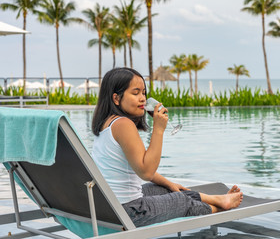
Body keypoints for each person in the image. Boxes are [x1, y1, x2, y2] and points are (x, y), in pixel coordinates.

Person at [91, 67, 243, 227]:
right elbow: (146, 171)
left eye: (143, 92)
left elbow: (139, 167)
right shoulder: (124, 124)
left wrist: (168, 183)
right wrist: (158, 129)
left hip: (109, 207)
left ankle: (217, 199)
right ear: (116, 98)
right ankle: (219, 207)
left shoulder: (107, 123)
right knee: (180, 201)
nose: (142, 98)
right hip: (129, 212)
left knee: (166, 189)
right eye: (135, 93)